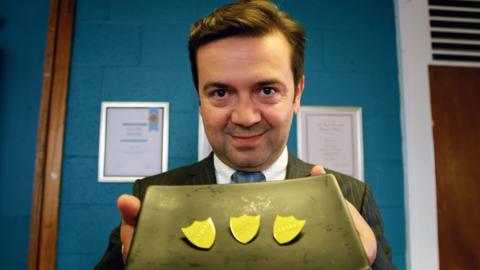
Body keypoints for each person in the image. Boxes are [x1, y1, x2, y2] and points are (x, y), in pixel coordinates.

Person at [95, 1, 395, 269]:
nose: (245, 117)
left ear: (297, 94)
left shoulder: (352, 197)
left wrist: (366, 264)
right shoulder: (149, 200)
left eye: (267, 90)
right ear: (200, 99)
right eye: (221, 92)